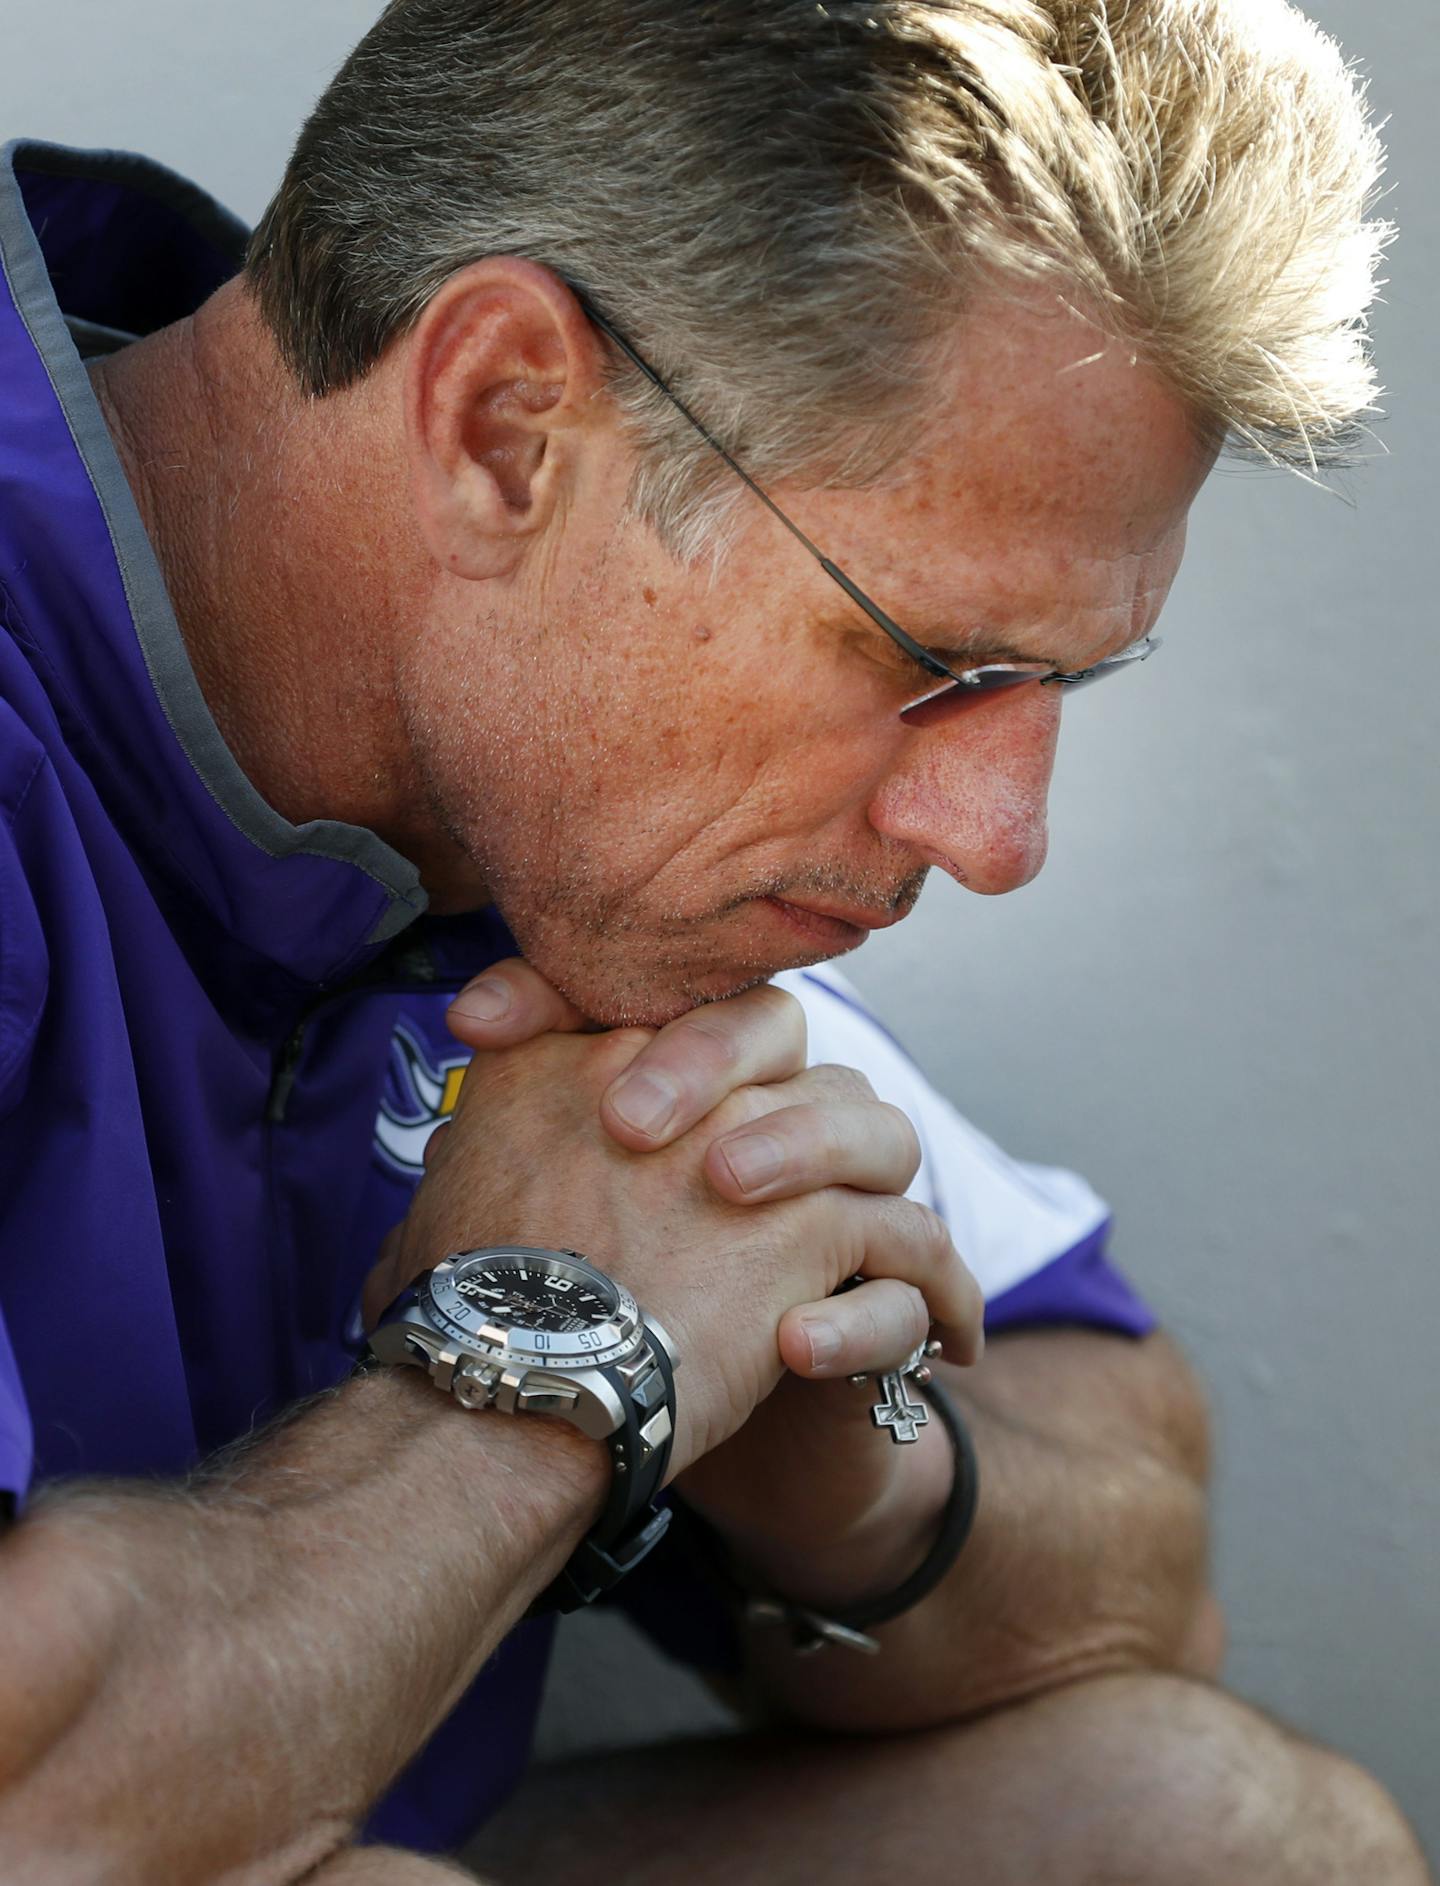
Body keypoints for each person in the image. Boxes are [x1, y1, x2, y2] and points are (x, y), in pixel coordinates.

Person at [0, 1, 1428, 1882]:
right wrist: (559, 1379)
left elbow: (1134, 1495)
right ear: (507, 420)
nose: (999, 841)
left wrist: (829, 1453)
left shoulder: (551, 811)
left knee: (1222, 1830)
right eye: (936, 664)